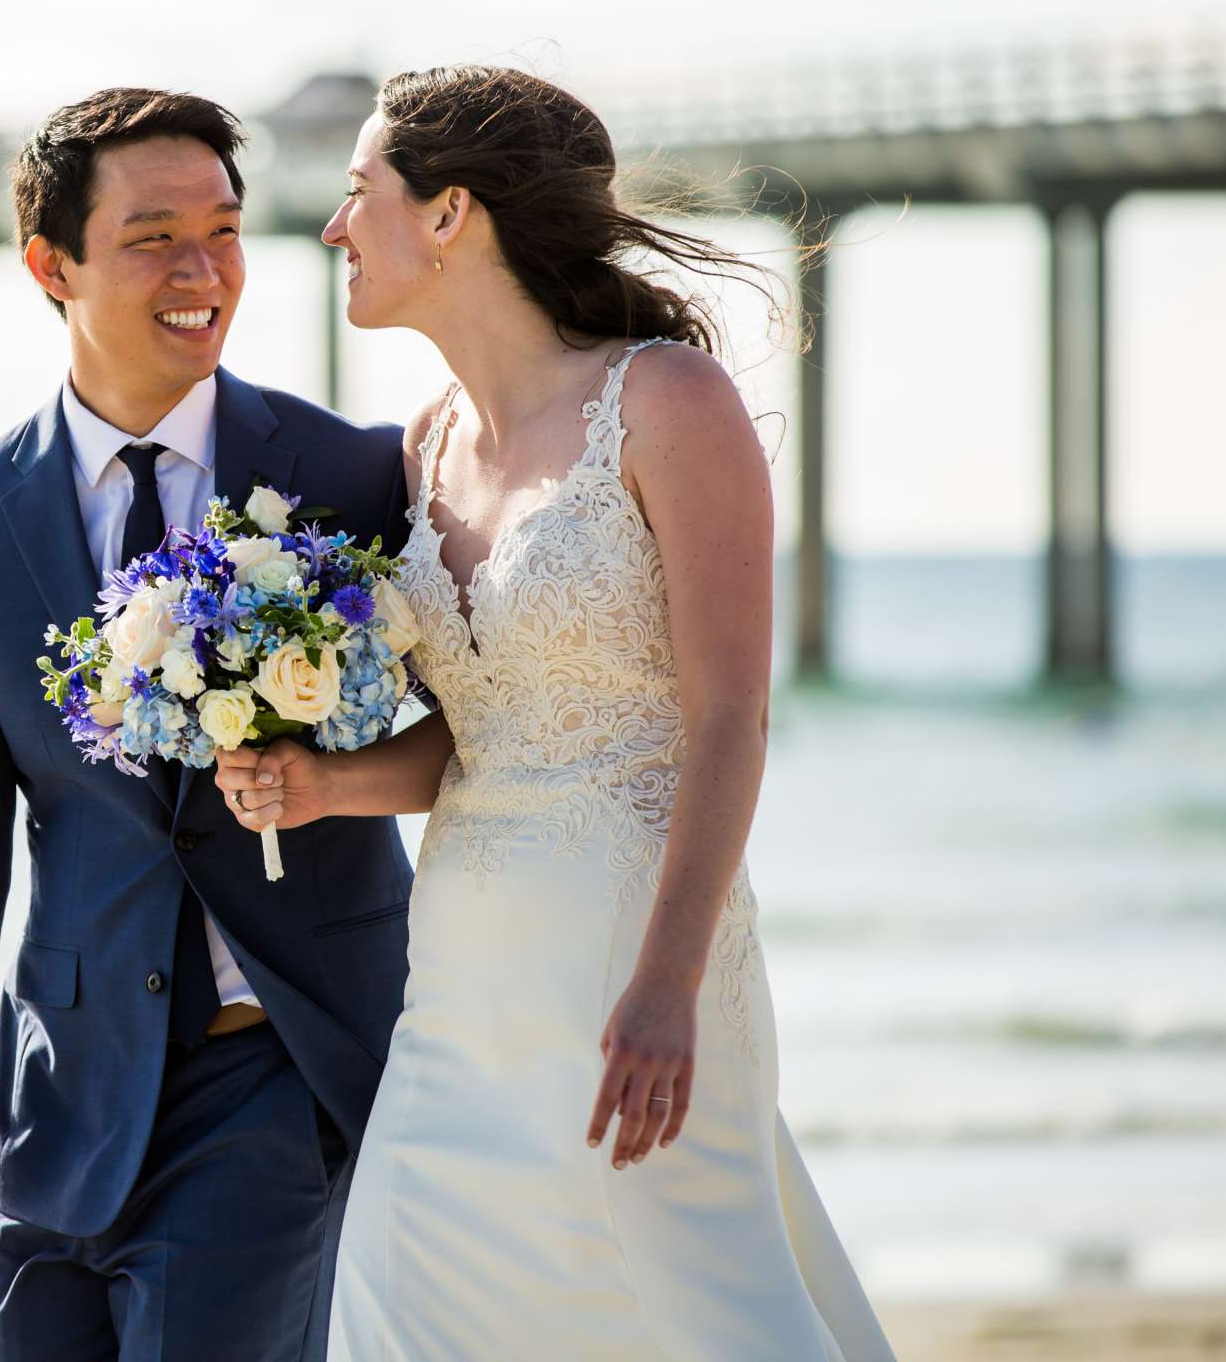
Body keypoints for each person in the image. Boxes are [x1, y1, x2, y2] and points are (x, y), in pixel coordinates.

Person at [214, 66, 896, 1360]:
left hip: (628, 980)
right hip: (457, 991)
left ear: (450, 212)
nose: (335, 227)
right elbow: (483, 734)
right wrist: (321, 785)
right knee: (398, 1317)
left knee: (701, 1316)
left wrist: (668, 982)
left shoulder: (666, 404)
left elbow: (730, 720)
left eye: (361, 195)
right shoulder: (422, 448)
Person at [0, 87, 431, 1361]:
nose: (202, 270)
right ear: (49, 264)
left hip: (277, 1076)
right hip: (60, 1104)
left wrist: (328, 782)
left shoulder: (350, 477)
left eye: (223, 232)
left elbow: (481, 736)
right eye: (154, 235)